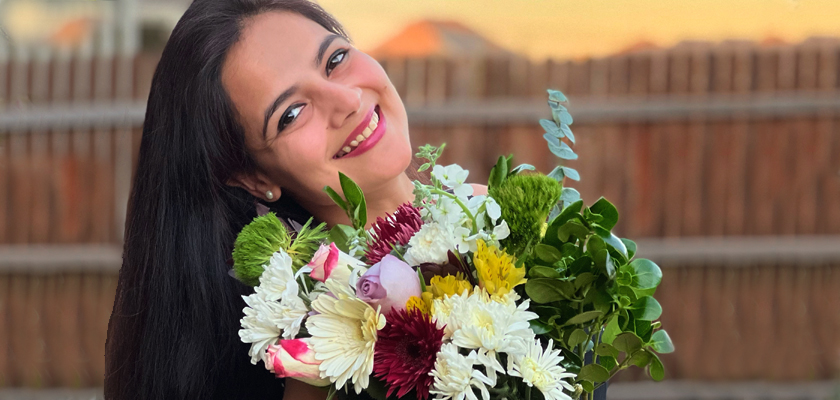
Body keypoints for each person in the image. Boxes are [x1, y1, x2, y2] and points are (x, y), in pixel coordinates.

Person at [105, 0, 478, 399]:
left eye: (335, 60)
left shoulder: (512, 217)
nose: (347, 101)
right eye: (291, 113)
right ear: (254, 177)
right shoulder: (322, 365)